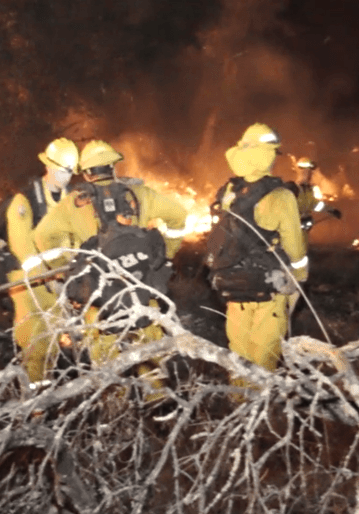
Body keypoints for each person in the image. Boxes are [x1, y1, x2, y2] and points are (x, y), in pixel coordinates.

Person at [33, 139, 188, 376]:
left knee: (106, 362)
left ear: (85, 173)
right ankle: (157, 401)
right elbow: (178, 215)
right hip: (142, 289)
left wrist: (67, 271)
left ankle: (115, 406)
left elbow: (43, 235)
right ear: (113, 167)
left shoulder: (74, 204)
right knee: (150, 351)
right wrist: (165, 254)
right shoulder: (139, 194)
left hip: (99, 296)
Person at [205, 123, 308, 372]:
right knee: (264, 356)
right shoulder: (281, 196)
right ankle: (261, 406)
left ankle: (240, 403)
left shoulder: (229, 191)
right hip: (268, 288)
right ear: (269, 156)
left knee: (238, 356)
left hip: (232, 286)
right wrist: (300, 275)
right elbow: (295, 247)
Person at [0, 137, 79, 383]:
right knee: (37, 340)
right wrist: (47, 276)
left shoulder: (71, 199)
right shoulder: (24, 201)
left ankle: (50, 397)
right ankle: (34, 407)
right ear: (48, 166)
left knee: (60, 336)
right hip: (26, 277)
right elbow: (22, 247)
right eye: (63, 170)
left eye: (71, 171)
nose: (67, 176)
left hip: (57, 276)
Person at [292, 156, 342, 249]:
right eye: (307, 171)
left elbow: (314, 204)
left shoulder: (308, 189)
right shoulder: (294, 189)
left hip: (304, 229)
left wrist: (331, 210)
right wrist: (300, 220)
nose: (310, 174)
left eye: (310, 172)